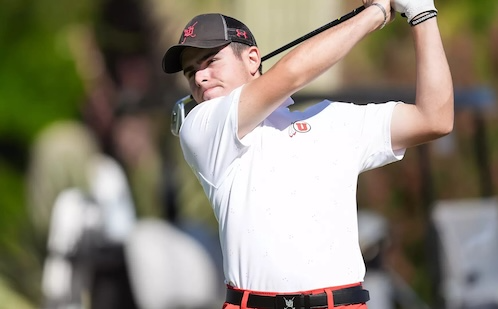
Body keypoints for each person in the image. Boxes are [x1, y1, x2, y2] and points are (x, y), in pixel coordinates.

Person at [161, 0, 453, 307]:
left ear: (252, 59)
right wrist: (376, 13)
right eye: (191, 71)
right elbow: (292, 74)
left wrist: (422, 13)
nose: (200, 77)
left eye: (210, 62)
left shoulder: (330, 120)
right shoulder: (201, 126)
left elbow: (434, 119)